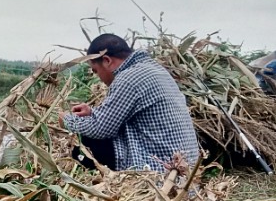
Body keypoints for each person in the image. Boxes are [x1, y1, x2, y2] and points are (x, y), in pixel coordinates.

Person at [62, 34, 200, 172]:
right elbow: (119, 114)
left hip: (162, 170)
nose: (98, 77)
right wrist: (92, 112)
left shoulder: (128, 79)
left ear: (106, 60)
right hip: (186, 169)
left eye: (96, 70)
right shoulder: (154, 70)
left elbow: (101, 128)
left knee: (85, 142)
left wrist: (67, 120)